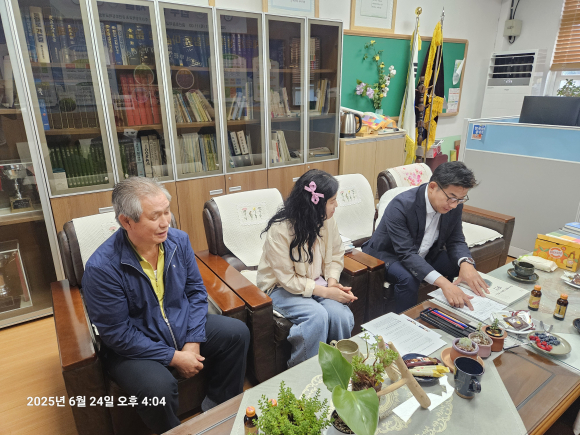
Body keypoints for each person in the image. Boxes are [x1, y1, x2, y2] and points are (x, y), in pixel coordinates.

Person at [82, 177, 250, 434]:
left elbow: (196, 293)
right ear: (126, 221)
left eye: (167, 211)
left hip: (179, 326)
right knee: (156, 388)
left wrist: (193, 340)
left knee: (237, 333)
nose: (165, 222)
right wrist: (175, 357)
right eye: (155, 216)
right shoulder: (102, 268)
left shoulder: (178, 241)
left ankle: (218, 412)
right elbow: (117, 334)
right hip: (134, 346)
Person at [257, 169, 356, 368]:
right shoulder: (281, 230)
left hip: (317, 282)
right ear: (316, 204)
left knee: (341, 316)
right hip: (281, 288)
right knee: (317, 316)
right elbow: (287, 279)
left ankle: (338, 367)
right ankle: (303, 373)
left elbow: (336, 253)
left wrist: (332, 283)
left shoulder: (327, 221)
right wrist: (326, 293)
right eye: (332, 201)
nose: (336, 205)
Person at [363, 161, 490, 313]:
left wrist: (466, 263)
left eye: (460, 199)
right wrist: (444, 284)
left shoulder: (455, 204)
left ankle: (457, 310)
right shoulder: (401, 205)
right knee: (409, 278)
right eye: (451, 198)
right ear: (432, 187)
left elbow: (455, 239)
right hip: (389, 254)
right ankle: (406, 319)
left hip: (425, 252)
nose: (454, 205)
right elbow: (406, 254)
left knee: (464, 267)